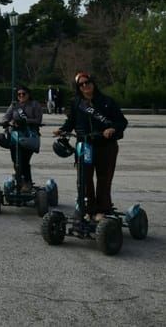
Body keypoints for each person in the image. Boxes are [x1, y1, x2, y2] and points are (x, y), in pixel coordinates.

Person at [54, 72, 128, 221]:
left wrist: (112, 129)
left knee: (103, 178)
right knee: (84, 178)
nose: (85, 86)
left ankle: (102, 210)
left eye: (87, 82)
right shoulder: (76, 103)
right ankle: (88, 209)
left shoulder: (107, 101)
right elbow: (71, 122)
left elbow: (121, 121)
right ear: (78, 87)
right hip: (84, 145)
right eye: (81, 84)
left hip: (105, 145)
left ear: (93, 83)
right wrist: (63, 130)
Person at [0, 85, 44, 192]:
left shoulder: (34, 105)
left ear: (28, 94)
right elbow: (6, 117)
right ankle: (20, 179)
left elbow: (38, 120)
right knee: (16, 160)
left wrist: (25, 122)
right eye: (19, 94)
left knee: (24, 161)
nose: (21, 96)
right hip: (15, 136)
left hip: (29, 136)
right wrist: (8, 122)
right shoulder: (14, 105)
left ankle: (27, 181)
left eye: (24, 94)